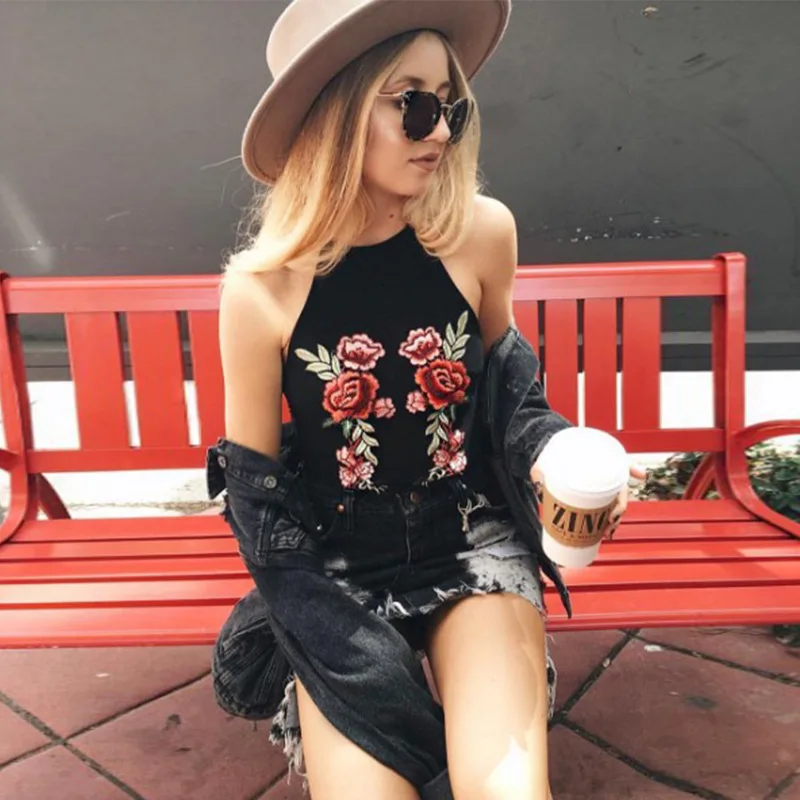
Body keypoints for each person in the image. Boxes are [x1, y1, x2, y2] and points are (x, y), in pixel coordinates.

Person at [210, 1, 641, 798]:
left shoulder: (481, 233)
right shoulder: (259, 290)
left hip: (470, 538)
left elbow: (511, 400)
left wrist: (557, 458)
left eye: (450, 106)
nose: (439, 130)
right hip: (337, 566)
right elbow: (257, 499)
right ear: (338, 113)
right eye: (412, 104)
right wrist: (318, 626)